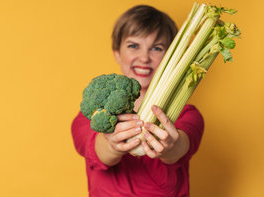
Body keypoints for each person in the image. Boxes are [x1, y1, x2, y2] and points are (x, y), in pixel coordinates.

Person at [71, 5, 204, 197]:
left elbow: (181, 147)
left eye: (157, 48)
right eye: (133, 46)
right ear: (117, 52)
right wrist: (113, 144)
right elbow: (97, 151)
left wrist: (170, 147)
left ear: (171, 57)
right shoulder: (94, 112)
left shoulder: (187, 114)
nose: (144, 58)